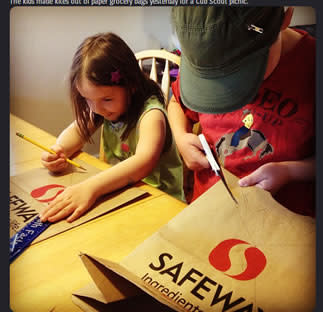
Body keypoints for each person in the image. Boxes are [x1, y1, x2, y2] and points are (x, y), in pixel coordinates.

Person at [168, 7, 315, 216]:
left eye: (240, 72)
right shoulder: (207, 53)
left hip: (282, 223)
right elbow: (176, 103)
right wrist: (181, 137)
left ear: (285, 17)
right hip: (208, 211)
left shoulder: (311, 66)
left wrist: (289, 171)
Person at [40, 32, 185, 223]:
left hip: (161, 203)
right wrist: (59, 150)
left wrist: (90, 187)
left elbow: (143, 162)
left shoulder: (152, 115)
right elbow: (77, 131)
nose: (96, 109)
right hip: (122, 192)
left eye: (106, 99)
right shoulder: (101, 108)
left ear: (131, 84)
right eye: (87, 99)